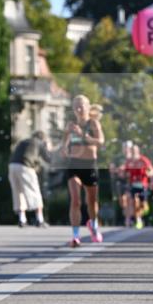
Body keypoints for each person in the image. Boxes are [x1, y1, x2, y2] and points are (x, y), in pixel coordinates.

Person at [63, 94, 104, 247]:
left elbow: (100, 142)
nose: (79, 109)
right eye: (76, 107)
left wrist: (83, 135)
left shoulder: (93, 123)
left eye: (82, 106)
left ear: (88, 107)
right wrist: (64, 148)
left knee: (91, 201)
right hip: (74, 165)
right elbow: (64, 145)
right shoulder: (71, 125)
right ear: (73, 109)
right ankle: (75, 236)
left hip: (90, 165)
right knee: (75, 199)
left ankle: (93, 225)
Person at [8, 130, 51, 227]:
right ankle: (39, 219)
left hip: (12, 166)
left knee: (18, 192)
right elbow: (48, 158)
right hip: (25, 166)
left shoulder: (24, 141)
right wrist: (48, 148)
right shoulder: (40, 143)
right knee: (34, 192)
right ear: (43, 138)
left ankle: (22, 219)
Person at [123, 143, 153, 230]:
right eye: (132, 150)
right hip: (133, 185)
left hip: (143, 185)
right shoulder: (129, 161)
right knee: (135, 202)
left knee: (143, 205)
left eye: (135, 150)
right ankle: (138, 220)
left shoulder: (143, 159)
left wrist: (149, 174)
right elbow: (125, 172)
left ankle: (144, 208)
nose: (133, 152)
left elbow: (152, 170)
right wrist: (122, 172)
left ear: (138, 151)